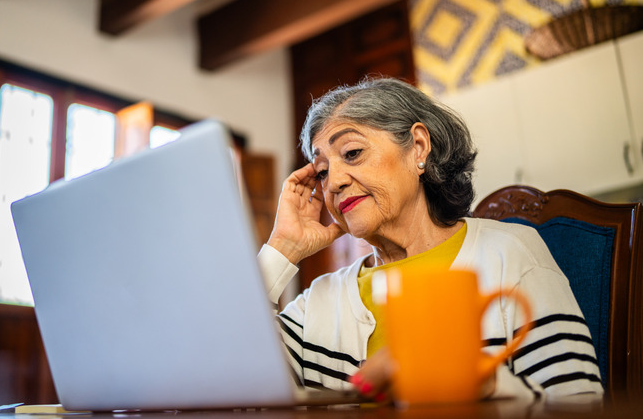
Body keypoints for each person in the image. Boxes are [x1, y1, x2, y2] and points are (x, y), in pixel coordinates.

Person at [258, 76, 603, 402]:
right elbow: (220, 381)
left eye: (351, 153)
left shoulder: (510, 256)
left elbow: (580, 405)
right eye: (321, 171)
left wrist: (485, 383)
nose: (333, 182)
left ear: (418, 147)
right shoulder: (318, 301)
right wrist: (283, 247)